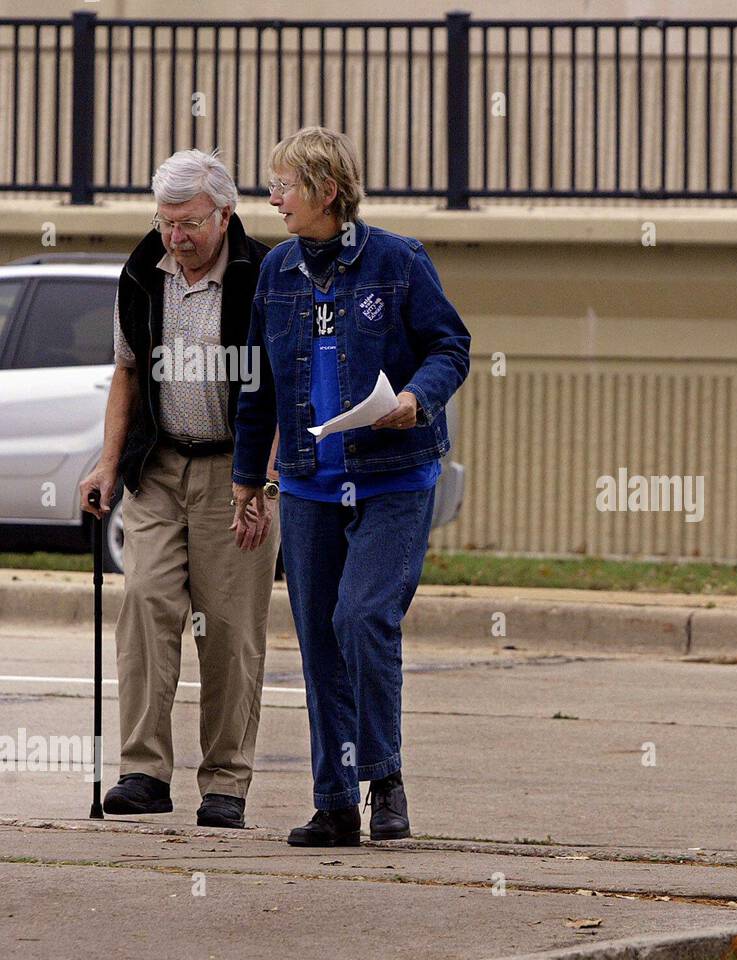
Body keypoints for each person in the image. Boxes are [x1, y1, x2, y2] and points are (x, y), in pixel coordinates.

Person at [232, 127, 471, 846]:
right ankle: (334, 800)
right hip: (307, 483)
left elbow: (450, 346)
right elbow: (258, 385)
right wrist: (247, 478)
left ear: (326, 192)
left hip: (394, 475)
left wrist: (415, 399)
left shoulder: (398, 261)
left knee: (361, 617)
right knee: (318, 639)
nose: (274, 198)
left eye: (286, 186)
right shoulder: (276, 273)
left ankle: (385, 779)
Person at [79, 149, 279, 829]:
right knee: (144, 601)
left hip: (238, 469)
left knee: (229, 628)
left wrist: (265, 482)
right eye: (166, 222)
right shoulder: (141, 272)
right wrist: (108, 463)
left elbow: (285, 387)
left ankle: (226, 781)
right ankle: (143, 771)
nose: (176, 236)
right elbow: (127, 372)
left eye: (189, 223)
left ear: (225, 214)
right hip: (159, 466)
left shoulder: (263, 274)